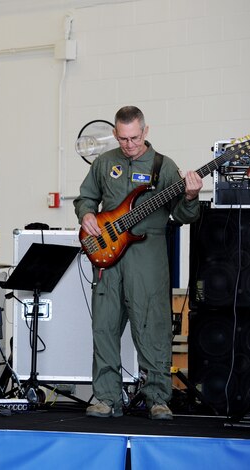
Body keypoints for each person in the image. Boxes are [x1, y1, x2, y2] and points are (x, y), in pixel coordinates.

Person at [74, 105, 202, 420]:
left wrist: (190, 197)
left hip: (149, 256)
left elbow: (184, 216)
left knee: (154, 327)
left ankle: (158, 398)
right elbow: (85, 198)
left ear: (145, 132)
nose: (128, 144)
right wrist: (87, 214)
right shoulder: (104, 163)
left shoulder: (165, 166)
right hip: (108, 256)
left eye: (133, 137)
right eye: (122, 138)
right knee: (103, 325)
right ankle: (106, 398)